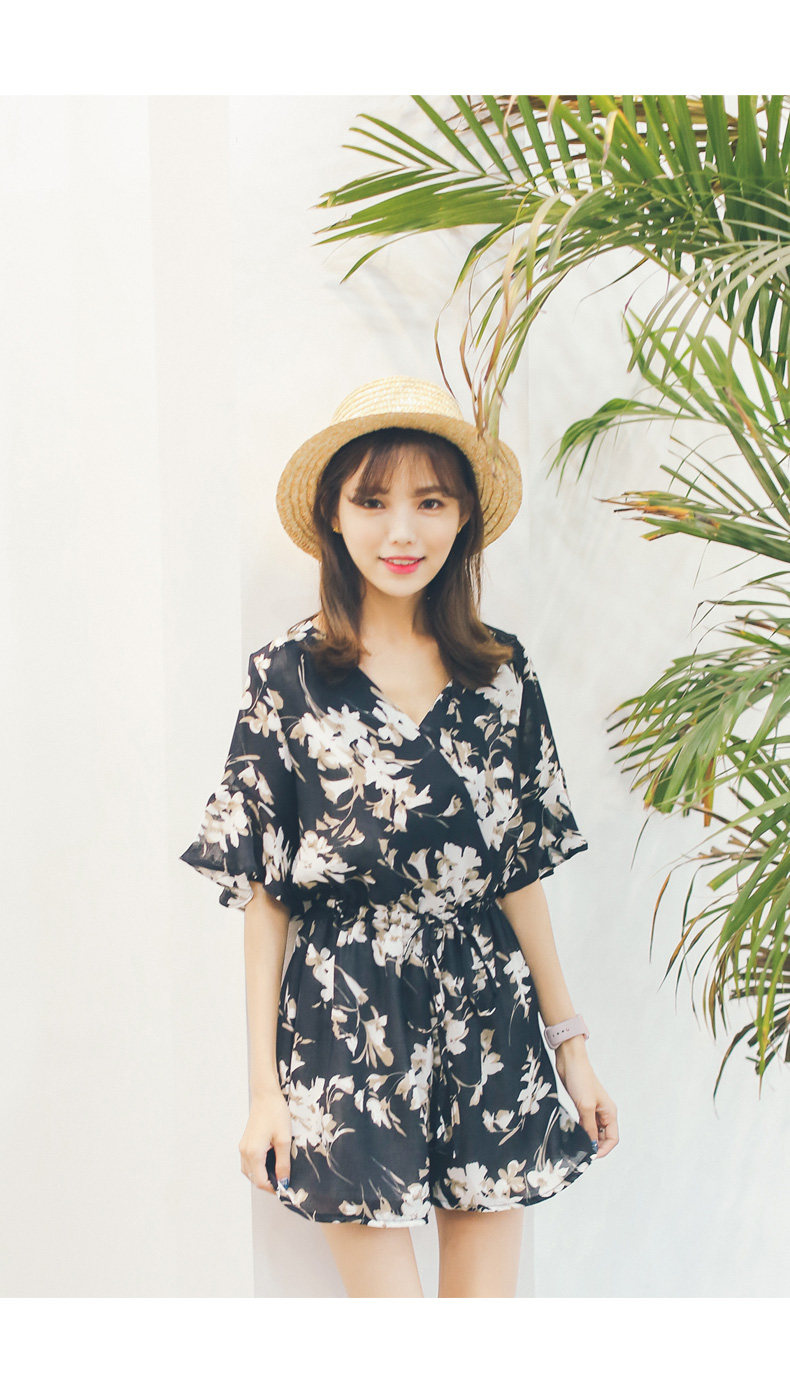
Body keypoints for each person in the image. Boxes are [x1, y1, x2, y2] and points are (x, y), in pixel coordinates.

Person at [179, 375, 618, 1298]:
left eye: (431, 501)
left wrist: (571, 1046)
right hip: (345, 1016)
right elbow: (265, 897)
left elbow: (518, 872)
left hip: (488, 1013)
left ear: (463, 519)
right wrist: (263, 1092)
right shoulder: (287, 677)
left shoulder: (501, 674)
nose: (402, 531)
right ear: (334, 517)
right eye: (372, 501)